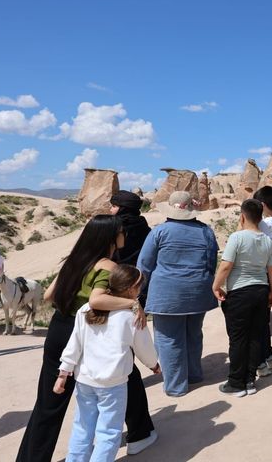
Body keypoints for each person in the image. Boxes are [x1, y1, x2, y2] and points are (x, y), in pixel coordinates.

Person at [17, 215, 149, 462]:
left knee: (49, 403)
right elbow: (96, 300)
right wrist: (132, 303)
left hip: (58, 329)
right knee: (122, 376)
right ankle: (141, 432)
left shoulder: (74, 261)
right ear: (110, 236)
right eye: (121, 231)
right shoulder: (108, 266)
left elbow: (48, 295)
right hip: (87, 332)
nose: (125, 235)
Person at [54, 264, 160, 462]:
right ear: (131, 289)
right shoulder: (132, 315)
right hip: (113, 383)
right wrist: (153, 364)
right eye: (139, 287)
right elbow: (144, 347)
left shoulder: (85, 309)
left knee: (82, 427)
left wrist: (63, 373)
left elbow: (74, 345)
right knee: (108, 433)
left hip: (84, 380)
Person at [138, 191, 219, 397]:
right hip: (198, 293)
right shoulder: (205, 231)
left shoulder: (160, 232)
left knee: (168, 339)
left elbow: (144, 266)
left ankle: (176, 386)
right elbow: (211, 263)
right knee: (193, 334)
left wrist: (137, 294)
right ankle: (194, 374)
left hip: (167, 295)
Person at [212, 199, 272, 397]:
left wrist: (215, 286)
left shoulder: (237, 237)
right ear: (260, 218)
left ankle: (235, 382)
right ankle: (250, 380)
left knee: (238, 338)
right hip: (260, 291)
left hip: (240, 293)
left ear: (242, 216)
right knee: (255, 336)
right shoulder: (268, 240)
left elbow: (225, 266)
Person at [107, 190, 157, 449]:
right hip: (138, 290)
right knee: (130, 343)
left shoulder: (115, 228)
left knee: (118, 356)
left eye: (113, 205)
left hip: (113, 292)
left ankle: (118, 430)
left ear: (119, 208)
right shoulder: (146, 227)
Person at [252, 186, 272, 378]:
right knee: (265, 316)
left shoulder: (263, 225)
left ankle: (263, 358)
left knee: (259, 318)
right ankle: (269, 355)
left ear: (262, 205)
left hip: (263, 272)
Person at [110, 190, 151, 266]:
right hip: (141, 266)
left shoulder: (116, 226)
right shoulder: (142, 223)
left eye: (114, 206)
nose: (110, 209)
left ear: (124, 208)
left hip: (119, 269)